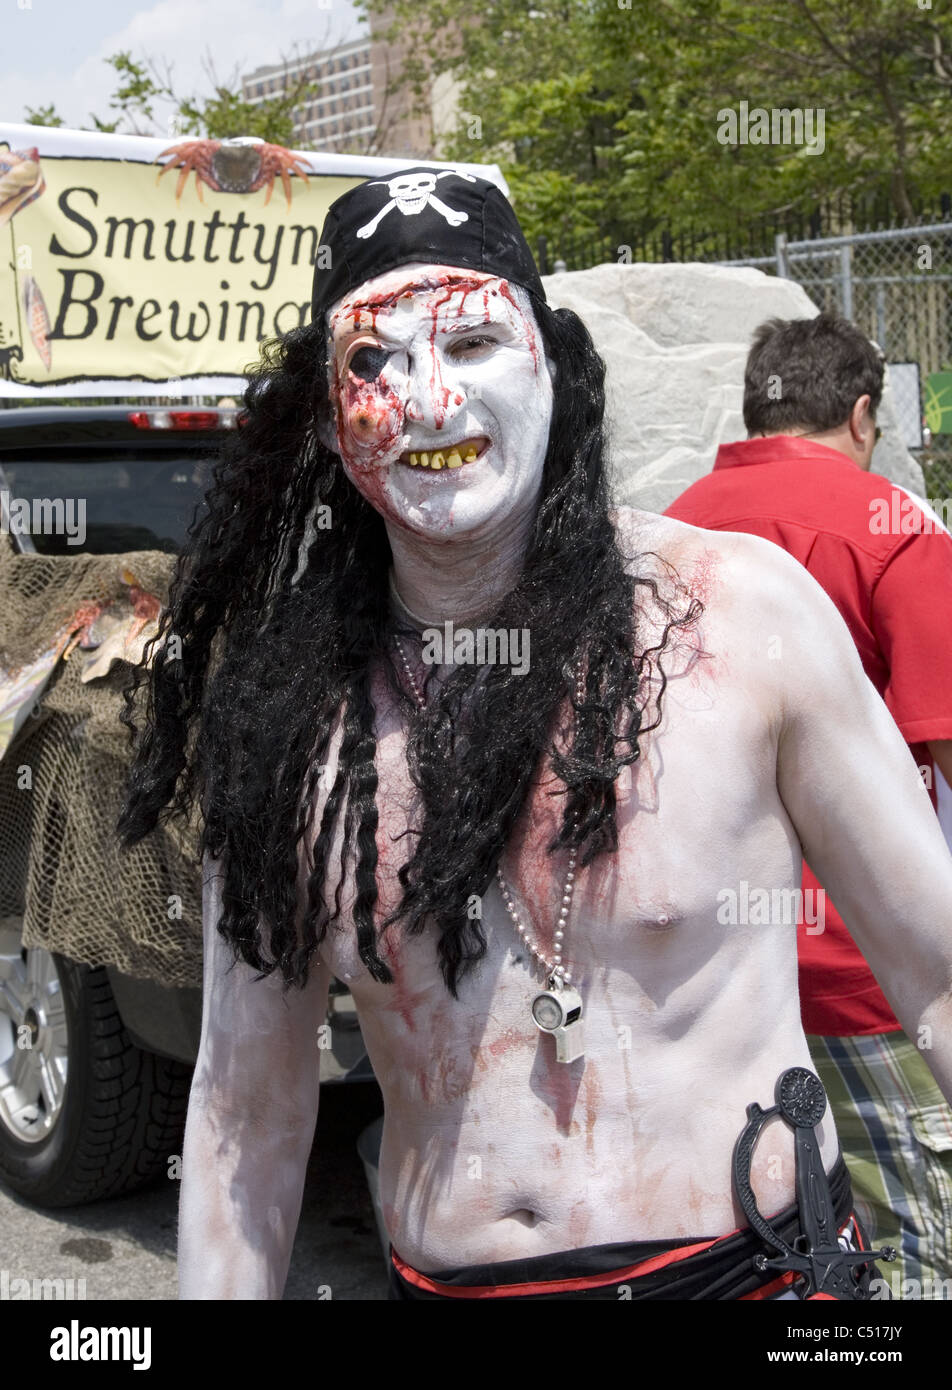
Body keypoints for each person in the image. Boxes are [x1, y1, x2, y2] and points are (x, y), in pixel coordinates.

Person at [118, 172, 952, 1301]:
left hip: (760, 1278)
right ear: (325, 416)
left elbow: (939, 978)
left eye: (470, 345)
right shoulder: (288, 724)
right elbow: (243, 1119)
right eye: (374, 364)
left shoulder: (742, 614)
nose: (426, 401)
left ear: (552, 367)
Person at [665, 311, 952, 1298]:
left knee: (775, 1248)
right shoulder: (890, 525)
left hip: (704, 983)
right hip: (865, 981)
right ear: (862, 412)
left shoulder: (667, 528)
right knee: (918, 1241)